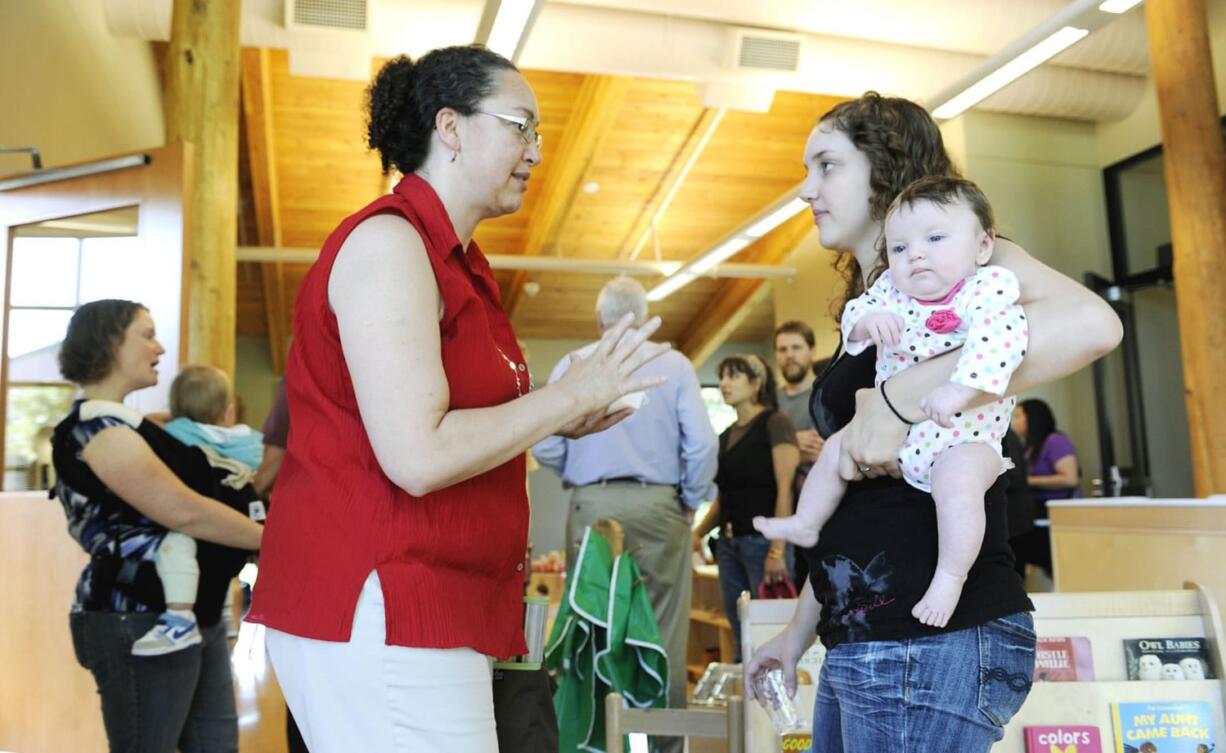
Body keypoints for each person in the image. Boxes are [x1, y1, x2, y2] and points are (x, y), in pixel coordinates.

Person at [244, 46, 668, 753]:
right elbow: (416, 453)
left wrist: (567, 410)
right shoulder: (389, 244)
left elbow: (457, 428)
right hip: (380, 596)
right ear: (451, 126)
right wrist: (566, 395)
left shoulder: (462, 264)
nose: (535, 149)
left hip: (432, 597)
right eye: (521, 125)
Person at [744, 92, 1122, 752]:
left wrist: (899, 400)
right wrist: (797, 632)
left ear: (883, 166)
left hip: (931, 638)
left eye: (826, 165)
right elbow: (862, 507)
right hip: (869, 636)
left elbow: (1095, 324)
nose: (807, 189)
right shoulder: (881, 300)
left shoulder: (967, 263)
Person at [755, 176, 1027, 628]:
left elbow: (1004, 343)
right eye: (899, 248)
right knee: (836, 449)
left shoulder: (986, 289)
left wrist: (961, 389)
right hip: (900, 441)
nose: (915, 254)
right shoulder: (891, 294)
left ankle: (950, 576)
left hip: (965, 435)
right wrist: (868, 323)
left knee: (958, 488)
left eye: (935, 239)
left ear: (982, 246)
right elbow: (854, 316)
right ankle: (805, 521)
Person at [50, 299, 264, 752]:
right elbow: (185, 511)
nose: (160, 347)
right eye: (146, 334)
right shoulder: (99, 433)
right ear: (110, 341)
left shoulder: (134, 426)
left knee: (216, 744)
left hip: (194, 613)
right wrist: (277, 543)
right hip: (137, 616)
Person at [532, 275, 717, 753]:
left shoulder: (576, 363)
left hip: (591, 504)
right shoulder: (673, 364)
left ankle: (598, 742)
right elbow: (702, 442)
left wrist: (574, 468)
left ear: (599, 321)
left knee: (592, 626)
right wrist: (690, 500)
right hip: (659, 506)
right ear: (643, 315)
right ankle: (664, 747)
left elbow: (545, 439)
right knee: (664, 631)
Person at [123, 365, 264, 656]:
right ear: (228, 412)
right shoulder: (247, 442)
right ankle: (232, 625)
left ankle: (179, 614)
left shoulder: (176, 435)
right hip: (236, 525)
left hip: (195, 524)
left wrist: (170, 418)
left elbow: (143, 426)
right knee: (226, 580)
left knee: (175, 548)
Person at [692, 353, 799, 660]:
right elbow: (724, 498)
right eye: (722, 376)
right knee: (740, 630)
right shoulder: (725, 436)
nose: (724, 384)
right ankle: (747, 704)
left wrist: (778, 549)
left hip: (763, 544)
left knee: (771, 628)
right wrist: (698, 532)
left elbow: (785, 489)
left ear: (756, 384)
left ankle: (775, 705)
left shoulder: (776, 423)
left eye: (734, 376)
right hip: (728, 545)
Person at [773, 320, 825, 588]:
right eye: (782, 349)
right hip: (776, 508)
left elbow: (822, 451)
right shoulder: (771, 402)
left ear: (811, 351)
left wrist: (783, 450)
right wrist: (793, 446)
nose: (789, 355)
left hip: (816, 509)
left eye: (796, 347)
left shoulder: (825, 394)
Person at [1011, 398, 1082, 577]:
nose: (1015, 421)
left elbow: (1070, 478)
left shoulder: (1055, 441)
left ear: (1032, 418)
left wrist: (1029, 481)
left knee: (1060, 568)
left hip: (1058, 515)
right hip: (1038, 515)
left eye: (1019, 415)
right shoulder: (1029, 447)